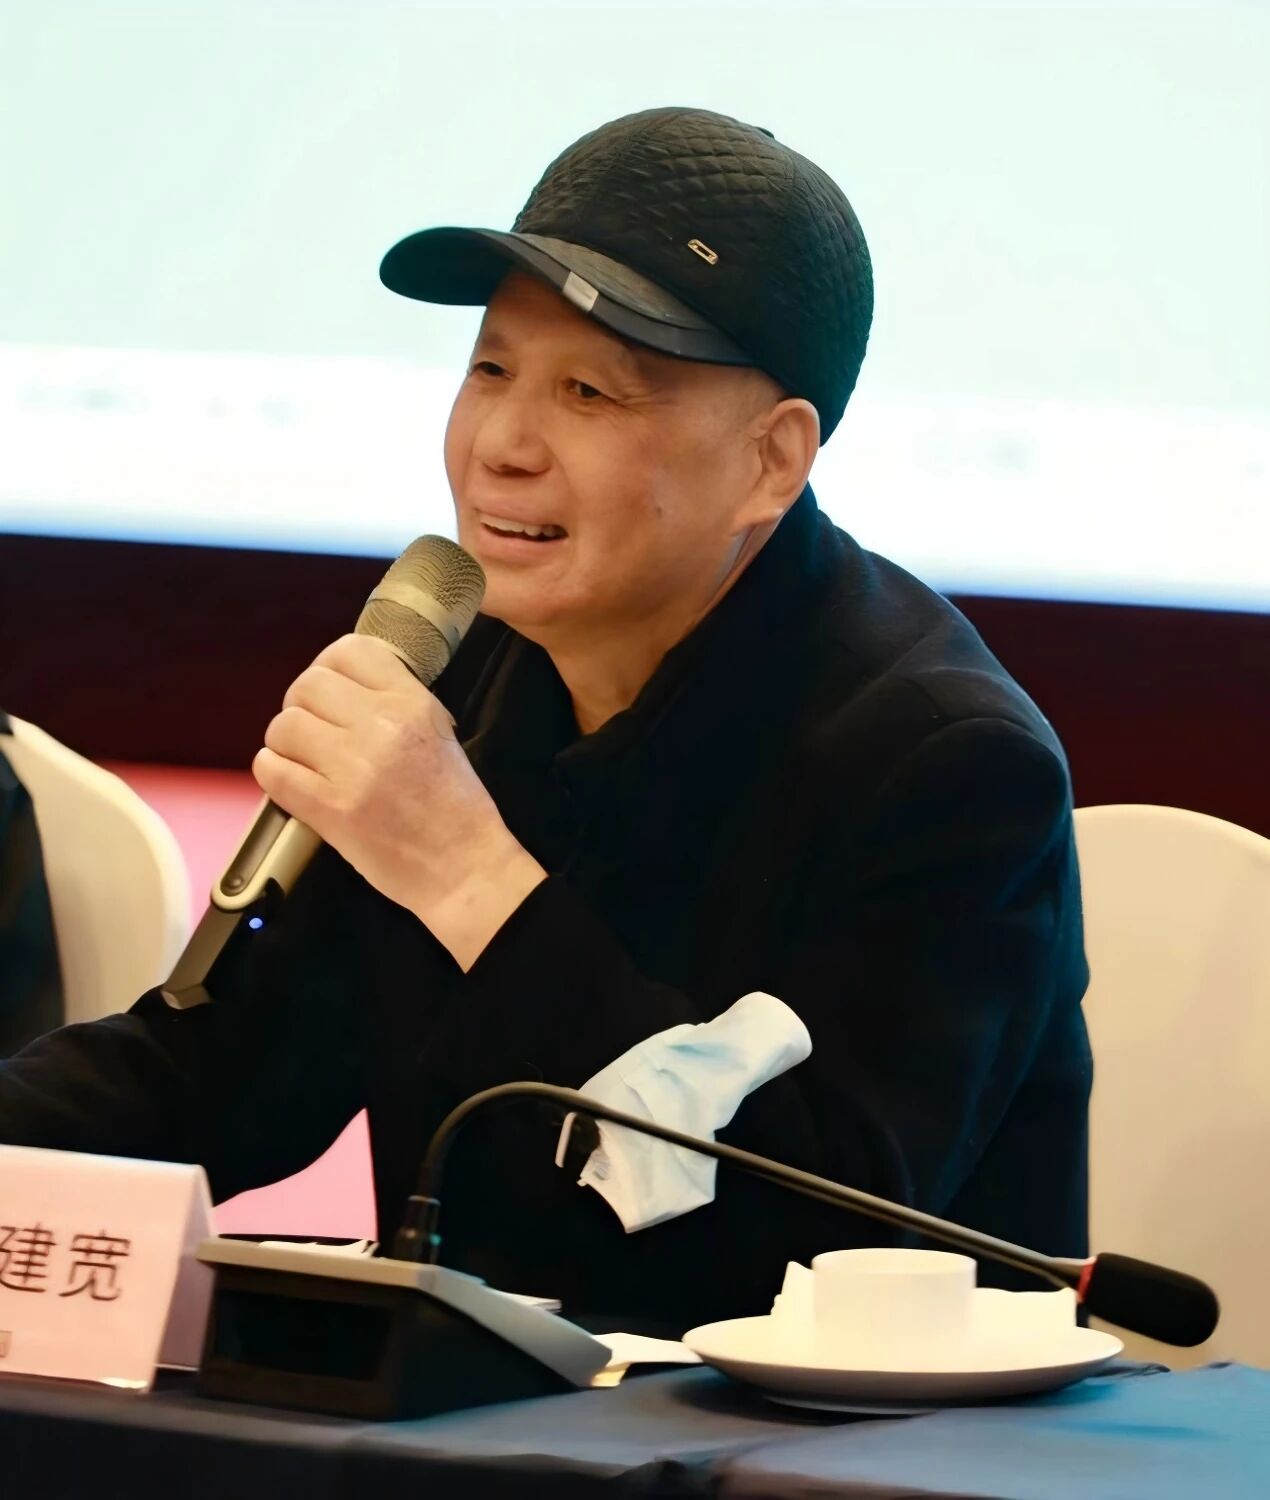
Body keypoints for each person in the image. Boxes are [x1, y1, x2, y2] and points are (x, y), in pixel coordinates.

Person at [0, 107, 1091, 1331]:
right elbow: (207, 1078)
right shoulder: (460, 677)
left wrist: (468, 875)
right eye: (490, 370)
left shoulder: (944, 764)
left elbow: (806, 1250)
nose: (503, 446)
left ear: (770, 463)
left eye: (587, 391)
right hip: (465, 1403)